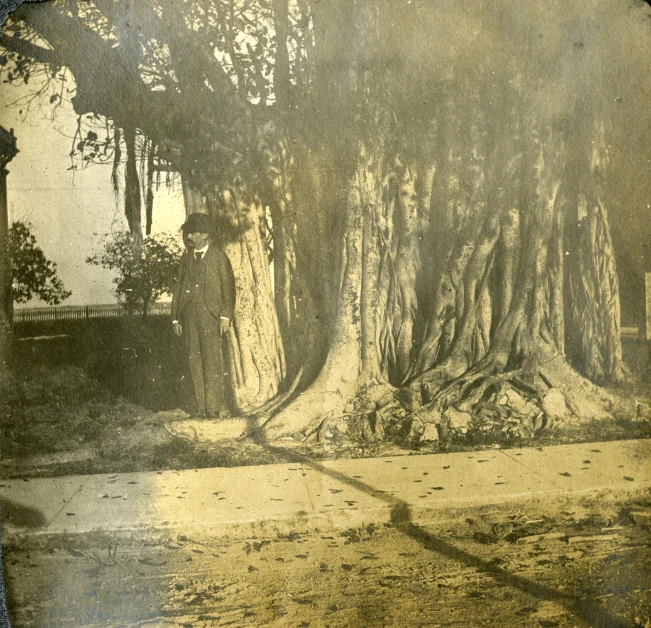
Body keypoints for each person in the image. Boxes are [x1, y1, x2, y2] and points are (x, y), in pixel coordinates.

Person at [171, 212, 236, 418]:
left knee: (212, 360)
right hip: (190, 317)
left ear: (206, 235)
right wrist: (176, 317)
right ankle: (201, 408)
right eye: (189, 233)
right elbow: (179, 288)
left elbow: (228, 288)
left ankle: (213, 408)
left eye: (195, 233)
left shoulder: (218, 257)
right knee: (194, 360)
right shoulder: (186, 259)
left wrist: (225, 316)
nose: (190, 237)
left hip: (211, 317)